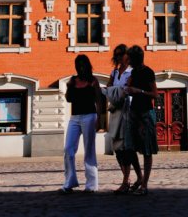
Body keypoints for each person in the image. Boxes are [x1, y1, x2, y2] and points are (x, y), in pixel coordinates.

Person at [62, 54, 103, 193]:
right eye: (78, 65)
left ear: (87, 65)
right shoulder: (73, 80)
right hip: (75, 117)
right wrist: (68, 87)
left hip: (89, 117)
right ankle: (69, 182)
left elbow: (98, 100)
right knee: (68, 149)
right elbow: (68, 99)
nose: (80, 67)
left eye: (83, 64)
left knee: (89, 150)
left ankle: (92, 185)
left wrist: (100, 119)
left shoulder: (93, 81)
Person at [107, 44, 142, 195]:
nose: (120, 57)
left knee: (128, 148)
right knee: (118, 148)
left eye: (122, 54)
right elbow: (109, 88)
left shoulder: (132, 72)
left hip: (128, 112)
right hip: (115, 111)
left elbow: (133, 91)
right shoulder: (114, 72)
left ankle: (129, 180)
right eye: (117, 54)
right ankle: (131, 178)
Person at [124, 45, 158, 196]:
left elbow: (155, 94)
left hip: (145, 112)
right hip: (134, 111)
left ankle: (144, 185)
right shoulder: (133, 72)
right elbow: (128, 86)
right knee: (130, 147)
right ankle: (139, 177)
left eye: (129, 57)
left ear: (135, 58)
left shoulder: (148, 72)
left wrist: (140, 91)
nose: (127, 60)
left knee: (147, 149)